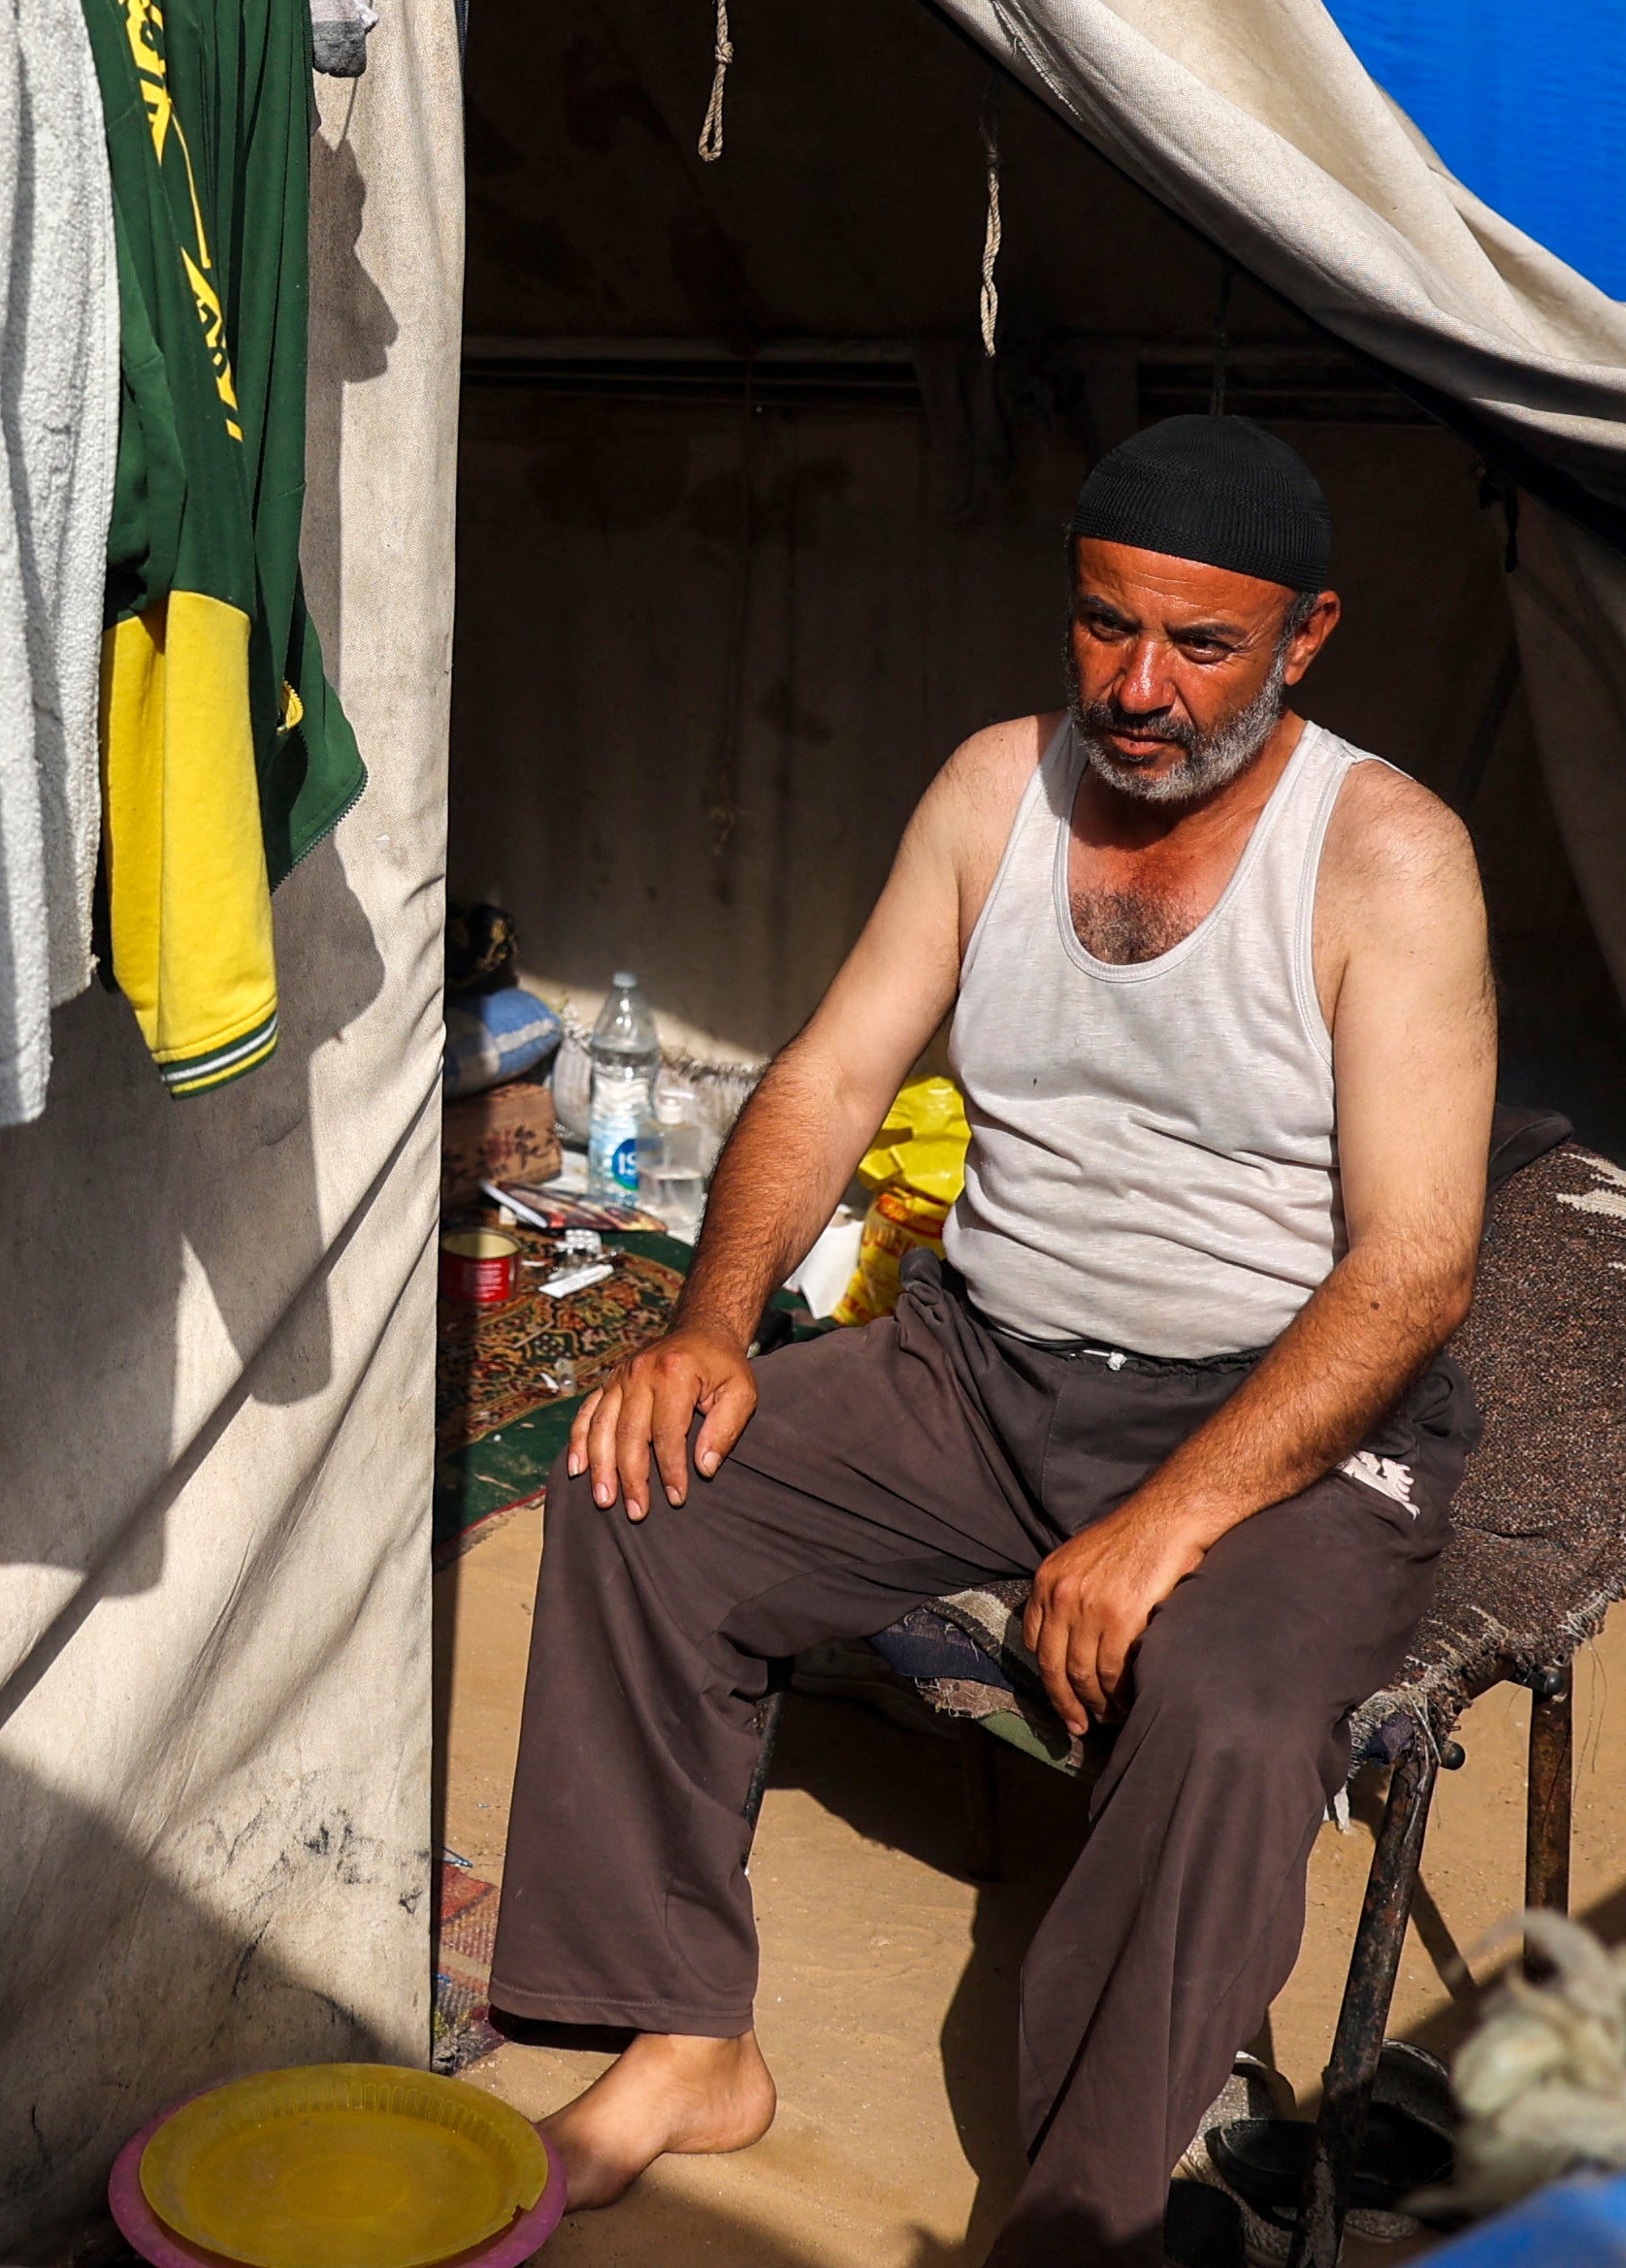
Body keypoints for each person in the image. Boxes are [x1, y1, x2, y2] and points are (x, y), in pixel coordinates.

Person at [487, 413, 1495, 2268]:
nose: (1139, 683)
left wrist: (1170, 1519)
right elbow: (829, 1074)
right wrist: (713, 1326)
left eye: (1201, 645)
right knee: (646, 1497)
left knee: (1230, 1705)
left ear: (1306, 634)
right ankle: (685, 2037)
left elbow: (1413, 1270)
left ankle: (1081, 2216)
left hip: (1282, 1419)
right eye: (1106, 625)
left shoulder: (1389, 858)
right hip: (982, 1360)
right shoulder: (990, 792)